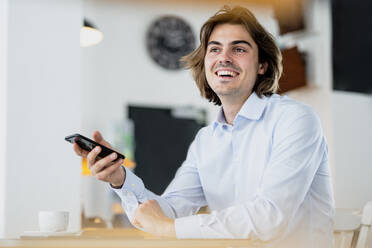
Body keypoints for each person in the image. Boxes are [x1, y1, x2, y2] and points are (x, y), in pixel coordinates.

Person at [73, 6, 334, 247]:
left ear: (262, 66)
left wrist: (167, 228)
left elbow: (269, 219)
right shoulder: (206, 140)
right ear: (205, 63)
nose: (224, 58)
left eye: (239, 49)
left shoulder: (295, 119)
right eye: (215, 49)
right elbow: (168, 211)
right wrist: (119, 180)